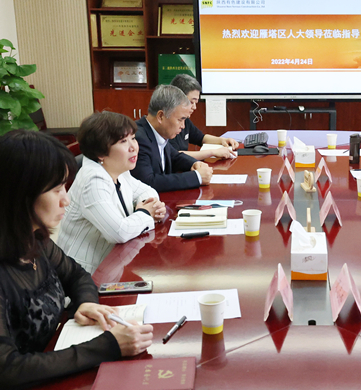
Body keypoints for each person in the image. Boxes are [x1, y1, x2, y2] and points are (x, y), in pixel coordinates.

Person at [0, 130, 153, 388]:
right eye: (56, 190)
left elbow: (76, 275)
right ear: (20, 195)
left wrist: (85, 303)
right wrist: (108, 346)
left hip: (56, 362)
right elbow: (8, 369)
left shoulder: (35, 239)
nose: (66, 200)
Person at [57, 112, 166, 274]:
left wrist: (148, 206)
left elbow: (147, 191)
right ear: (101, 153)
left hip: (113, 264)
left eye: (133, 138)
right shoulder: (93, 181)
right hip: (85, 275)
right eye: (123, 141)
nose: (133, 147)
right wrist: (145, 213)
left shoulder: (118, 169)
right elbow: (119, 232)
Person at [131, 85, 213, 192]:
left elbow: (174, 156)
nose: (183, 126)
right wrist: (197, 177)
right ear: (161, 116)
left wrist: (194, 164)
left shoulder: (157, 133)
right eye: (180, 120)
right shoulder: (137, 138)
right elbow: (148, 182)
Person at [169, 74, 238, 159]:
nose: (194, 107)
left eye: (196, 103)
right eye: (191, 102)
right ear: (177, 98)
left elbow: (200, 138)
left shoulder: (185, 120)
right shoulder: (168, 122)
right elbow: (174, 155)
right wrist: (212, 152)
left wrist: (222, 140)